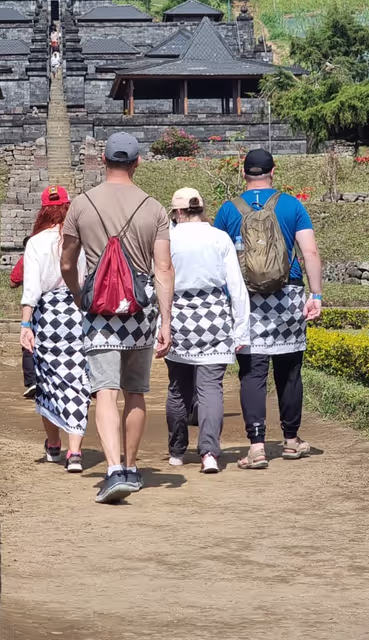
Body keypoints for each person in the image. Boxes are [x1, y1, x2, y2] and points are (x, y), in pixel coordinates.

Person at [61, 133, 174, 503]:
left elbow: (66, 262)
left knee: (104, 391)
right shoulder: (154, 208)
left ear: (103, 161)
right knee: (136, 391)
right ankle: (131, 466)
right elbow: (164, 268)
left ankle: (112, 471)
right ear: (137, 162)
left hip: (100, 312)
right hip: (141, 311)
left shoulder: (80, 204)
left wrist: (79, 293)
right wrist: (167, 321)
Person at [214, 149, 323, 469]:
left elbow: (221, 261)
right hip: (288, 294)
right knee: (289, 370)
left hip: (246, 299)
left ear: (243, 172)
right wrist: (315, 295)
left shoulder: (228, 210)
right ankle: (291, 441)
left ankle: (257, 446)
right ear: (273, 171)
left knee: (252, 372)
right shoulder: (291, 205)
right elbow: (310, 252)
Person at [165, 187, 250, 474]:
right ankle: (210, 452)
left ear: (177, 212)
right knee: (211, 388)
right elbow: (236, 286)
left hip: (177, 315)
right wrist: (241, 330)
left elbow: (157, 282)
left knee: (178, 387)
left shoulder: (168, 238)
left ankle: (177, 451)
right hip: (214, 315)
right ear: (200, 209)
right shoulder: (219, 237)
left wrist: (158, 326)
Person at [20, 186, 89, 472]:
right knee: (77, 382)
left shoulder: (36, 242)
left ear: (43, 210)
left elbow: (32, 287)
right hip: (78, 312)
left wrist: (25, 323)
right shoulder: (79, 238)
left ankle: (53, 443)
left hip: (47, 315)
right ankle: (75, 453)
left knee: (48, 381)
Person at [10, 236, 35, 399]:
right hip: (60, 307)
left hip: (32, 308)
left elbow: (13, 282)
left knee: (28, 345)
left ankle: (32, 382)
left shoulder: (26, 260)